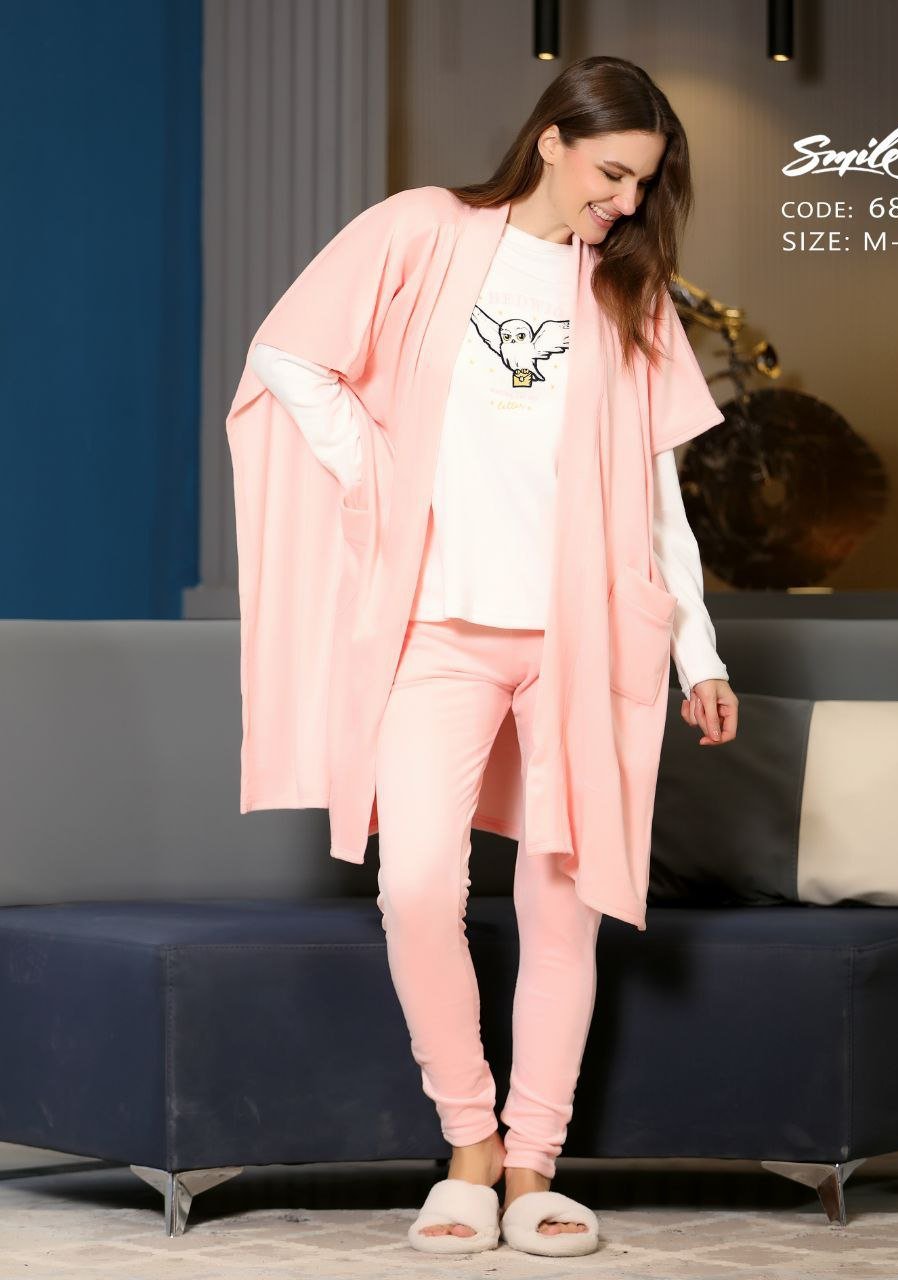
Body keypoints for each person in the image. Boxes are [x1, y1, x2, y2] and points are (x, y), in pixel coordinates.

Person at [233, 54, 739, 1258]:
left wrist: (700, 652)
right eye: (611, 171)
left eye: (643, 183)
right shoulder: (423, 230)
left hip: (583, 636)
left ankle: (532, 1165)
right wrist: (376, 470)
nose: (624, 200)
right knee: (416, 883)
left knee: (563, 905)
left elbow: (658, 493)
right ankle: (467, 1140)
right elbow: (287, 354)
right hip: (438, 631)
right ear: (553, 138)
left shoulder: (629, 290)